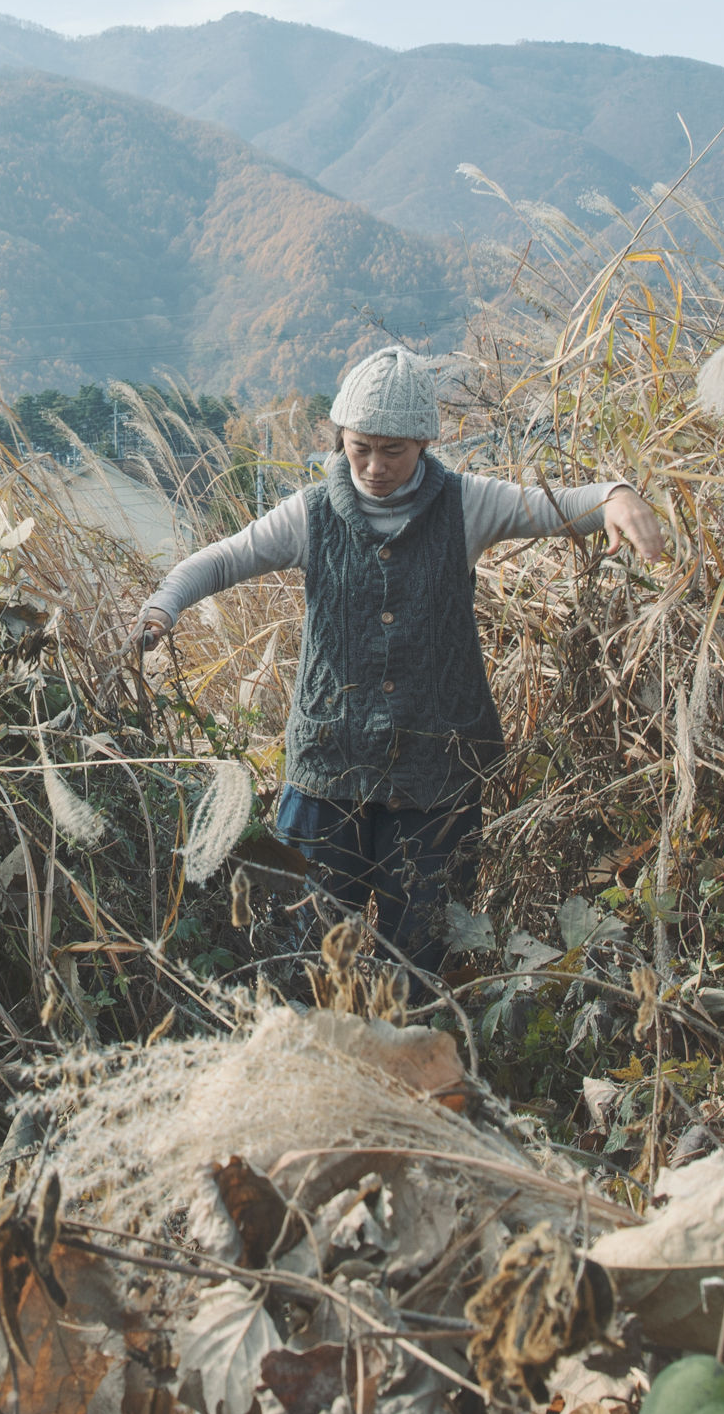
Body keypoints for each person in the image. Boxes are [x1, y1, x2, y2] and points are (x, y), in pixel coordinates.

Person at [136, 346, 666, 983]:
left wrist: (616, 495)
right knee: (300, 947)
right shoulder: (311, 514)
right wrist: (163, 606)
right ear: (340, 438)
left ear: (423, 443)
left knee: (419, 956)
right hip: (329, 765)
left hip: (437, 771)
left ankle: (410, 1068)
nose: (375, 466)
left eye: (393, 450)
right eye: (360, 447)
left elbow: (555, 507)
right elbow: (220, 559)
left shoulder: (465, 505)